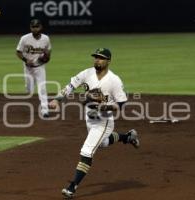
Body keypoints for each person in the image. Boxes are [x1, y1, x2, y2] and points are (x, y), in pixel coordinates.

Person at [49, 48, 140, 198]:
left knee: (87, 150)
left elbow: (121, 104)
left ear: (108, 61)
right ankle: (127, 137)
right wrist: (56, 99)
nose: (97, 60)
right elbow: (69, 88)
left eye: (101, 58)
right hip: (89, 118)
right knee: (103, 143)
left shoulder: (114, 80)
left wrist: (105, 106)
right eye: (96, 57)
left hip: (104, 121)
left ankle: (72, 187)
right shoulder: (86, 73)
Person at [16, 19, 51, 118]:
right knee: (29, 89)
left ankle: (45, 110)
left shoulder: (46, 39)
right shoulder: (24, 38)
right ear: (30, 28)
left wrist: (46, 58)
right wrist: (25, 60)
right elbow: (18, 52)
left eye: (37, 27)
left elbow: (48, 53)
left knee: (42, 88)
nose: (35, 29)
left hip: (40, 68)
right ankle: (28, 88)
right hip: (28, 68)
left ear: (41, 27)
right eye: (33, 27)